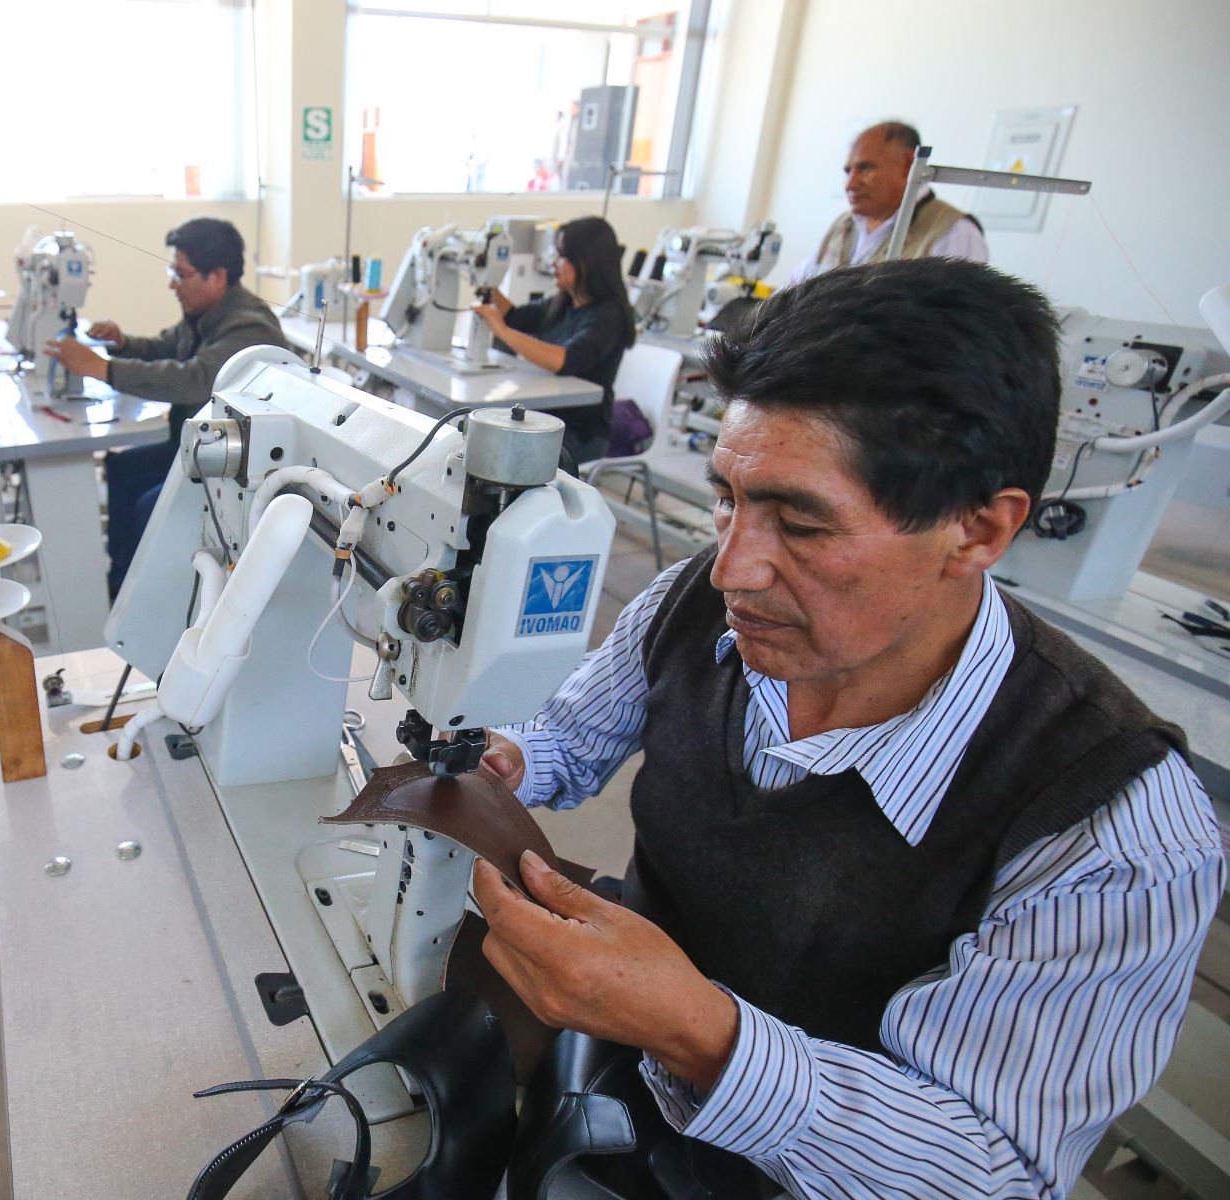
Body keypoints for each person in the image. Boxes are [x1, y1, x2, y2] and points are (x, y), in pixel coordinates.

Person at [473, 259, 1222, 1198]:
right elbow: (571, 735)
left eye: (802, 524)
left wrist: (703, 1035)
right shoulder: (690, 606)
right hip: (625, 1085)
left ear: (979, 532)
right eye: (729, 496)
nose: (733, 568)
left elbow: (996, 1172)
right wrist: (509, 759)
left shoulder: (1114, 831)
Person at [41, 218, 287, 597]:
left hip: (232, 467)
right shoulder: (209, 313)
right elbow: (167, 347)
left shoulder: (248, 327)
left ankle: (150, 597)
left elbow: (192, 378)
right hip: (197, 446)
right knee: (120, 468)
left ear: (216, 276)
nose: (173, 284)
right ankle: (120, 583)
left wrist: (103, 369)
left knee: (148, 506)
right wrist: (123, 344)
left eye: (180, 274)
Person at [471, 216, 636, 464]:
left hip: (580, 431)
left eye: (562, 256)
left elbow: (565, 360)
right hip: (542, 417)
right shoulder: (563, 302)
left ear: (587, 261)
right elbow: (515, 316)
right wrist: (487, 279)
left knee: (501, 459)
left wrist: (501, 330)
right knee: (480, 442)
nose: (553, 262)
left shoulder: (609, 316)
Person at [788, 121, 988, 285]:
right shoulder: (842, 226)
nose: (850, 184)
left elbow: (959, 315)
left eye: (865, 168)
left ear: (908, 164)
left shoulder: (954, 232)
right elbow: (796, 287)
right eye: (848, 171)